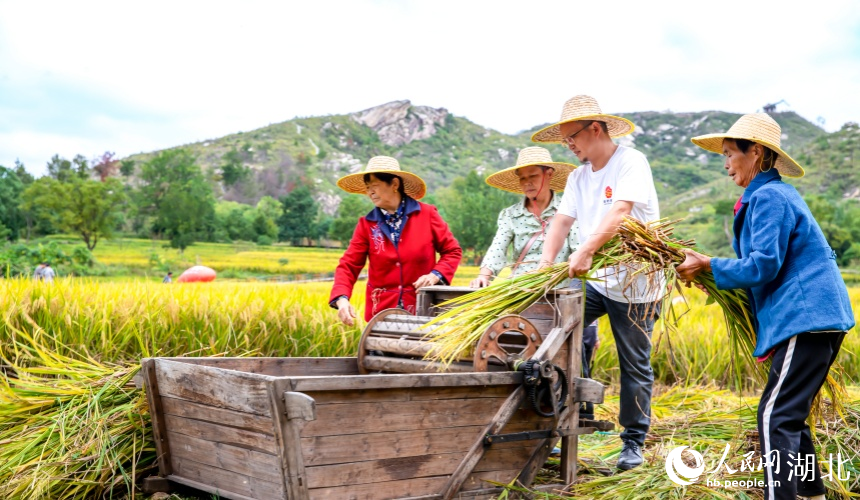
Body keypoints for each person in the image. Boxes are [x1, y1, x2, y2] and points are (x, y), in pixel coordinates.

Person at [677, 113, 854, 500]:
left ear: (755, 152)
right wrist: (718, 278)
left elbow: (764, 263)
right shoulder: (773, 195)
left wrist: (709, 264)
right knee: (791, 416)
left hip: (804, 318)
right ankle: (811, 495)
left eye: (728, 154)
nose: (725, 163)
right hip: (817, 318)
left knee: (774, 417)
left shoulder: (769, 196)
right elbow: (766, 267)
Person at [532, 95, 661, 470]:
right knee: (554, 335)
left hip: (637, 285)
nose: (568, 145)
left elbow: (621, 211)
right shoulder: (577, 176)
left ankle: (633, 442)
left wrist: (586, 250)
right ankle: (563, 423)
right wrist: (546, 262)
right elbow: (561, 221)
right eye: (563, 140)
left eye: (571, 137)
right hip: (596, 282)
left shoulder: (630, 162)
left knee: (634, 363)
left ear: (595, 129)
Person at [329, 156, 462, 325]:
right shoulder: (367, 225)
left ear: (394, 184)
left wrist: (435, 275)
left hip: (423, 310)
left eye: (375, 186)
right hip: (381, 314)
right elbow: (349, 265)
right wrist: (341, 299)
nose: (369, 192)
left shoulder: (427, 215)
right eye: (368, 188)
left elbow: (452, 251)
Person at [469, 146, 578, 287]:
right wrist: (483, 276)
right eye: (522, 178)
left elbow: (578, 250)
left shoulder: (568, 210)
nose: (527, 183)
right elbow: (497, 247)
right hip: (520, 289)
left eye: (533, 176)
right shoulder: (511, 215)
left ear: (549, 174)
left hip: (557, 290)